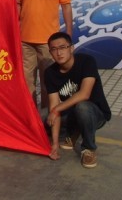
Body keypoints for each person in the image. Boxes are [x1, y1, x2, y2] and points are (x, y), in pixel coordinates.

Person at [16, 0, 73, 107]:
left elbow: (66, 6)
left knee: (48, 80)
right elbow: (18, 5)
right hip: (25, 40)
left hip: (49, 41)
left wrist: (68, 33)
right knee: (27, 81)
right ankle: (31, 115)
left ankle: (48, 114)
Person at [44, 32, 111, 168]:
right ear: (50, 52)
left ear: (71, 48)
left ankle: (88, 149)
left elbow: (84, 94)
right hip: (72, 113)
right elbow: (54, 106)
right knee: (41, 117)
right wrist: (55, 145)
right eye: (54, 49)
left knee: (82, 107)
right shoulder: (50, 73)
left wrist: (57, 109)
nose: (59, 53)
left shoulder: (87, 61)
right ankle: (74, 132)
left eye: (62, 47)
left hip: (95, 113)